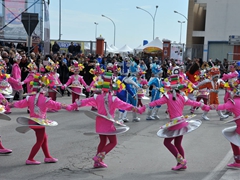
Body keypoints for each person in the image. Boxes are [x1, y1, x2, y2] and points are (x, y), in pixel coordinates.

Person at [138, 71, 210, 170]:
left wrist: (144, 106)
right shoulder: (182, 97)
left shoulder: (168, 97)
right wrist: (204, 105)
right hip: (182, 122)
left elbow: (155, 102)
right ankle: (181, 164)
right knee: (177, 144)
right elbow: (194, 103)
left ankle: (181, 161)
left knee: (167, 143)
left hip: (176, 123)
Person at [66, 71, 139, 168]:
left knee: (103, 141)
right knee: (113, 142)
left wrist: (72, 106)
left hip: (99, 122)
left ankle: (97, 162)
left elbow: (83, 102)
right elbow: (125, 105)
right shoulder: (114, 99)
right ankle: (99, 157)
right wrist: (136, 109)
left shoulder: (97, 97)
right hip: (108, 123)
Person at [12, 74, 67, 165]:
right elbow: (55, 105)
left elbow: (20, 103)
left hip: (32, 122)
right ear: (43, 89)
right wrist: (65, 106)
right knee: (40, 140)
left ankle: (48, 157)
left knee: (44, 138)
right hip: (39, 123)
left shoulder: (30, 98)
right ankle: (30, 158)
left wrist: (11, 105)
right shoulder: (44, 99)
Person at [210, 83, 240, 168]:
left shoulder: (233, 102)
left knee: (234, 140)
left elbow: (223, 106)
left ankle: (238, 161)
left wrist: (211, 107)